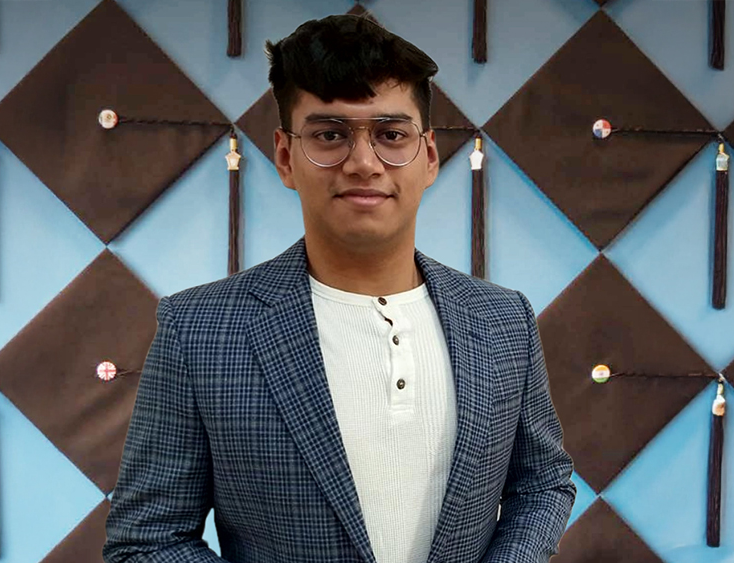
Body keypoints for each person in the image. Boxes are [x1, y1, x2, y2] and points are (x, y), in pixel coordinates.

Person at [103, 14, 575, 563]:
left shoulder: (504, 319)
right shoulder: (199, 330)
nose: (363, 163)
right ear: (285, 157)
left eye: (391, 134)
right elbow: (148, 541)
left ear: (428, 157)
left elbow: (543, 484)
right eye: (330, 135)